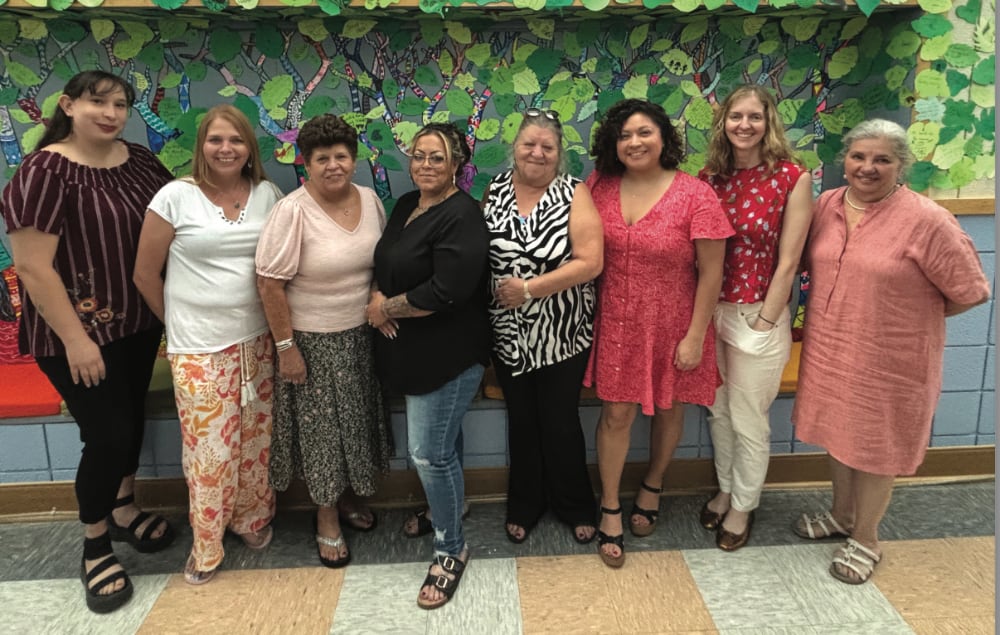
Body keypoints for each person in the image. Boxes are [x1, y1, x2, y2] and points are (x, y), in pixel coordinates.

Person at [0, 70, 175, 613]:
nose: (111, 113)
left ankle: (123, 507)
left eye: (121, 104)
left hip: (136, 324)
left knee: (131, 422)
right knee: (107, 433)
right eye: (98, 102)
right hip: (73, 333)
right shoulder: (45, 169)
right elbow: (31, 267)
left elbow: (177, 218)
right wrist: (77, 341)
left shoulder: (140, 161)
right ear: (68, 105)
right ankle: (95, 541)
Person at [791, 119, 989, 585]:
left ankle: (866, 537)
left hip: (892, 359)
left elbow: (970, 290)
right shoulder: (827, 206)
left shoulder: (927, 219)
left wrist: (910, 320)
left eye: (882, 159)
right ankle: (841, 515)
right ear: (845, 159)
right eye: (859, 156)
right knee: (838, 435)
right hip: (832, 347)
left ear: (901, 166)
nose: (868, 167)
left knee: (879, 446)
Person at [134, 104, 282, 585]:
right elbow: (144, 273)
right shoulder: (176, 196)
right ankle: (207, 542)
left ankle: (252, 519)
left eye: (236, 140)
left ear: (249, 149)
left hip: (257, 343)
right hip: (199, 350)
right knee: (209, 452)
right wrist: (177, 327)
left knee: (256, 444)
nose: (226, 149)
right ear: (202, 147)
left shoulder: (266, 194)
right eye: (216, 140)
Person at [585, 99, 733, 568]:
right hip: (614, 322)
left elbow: (712, 274)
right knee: (616, 414)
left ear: (664, 138)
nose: (634, 142)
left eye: (644, 132)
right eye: (625, 134)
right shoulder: (598, 187)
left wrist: (695, 336)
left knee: (670, 408)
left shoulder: (695, 195)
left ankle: (653, 484)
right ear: (614, 143)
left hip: (674, 323)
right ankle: (610, 504)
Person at [256, 114, 392, 569]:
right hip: (311, 342)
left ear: (353, 158)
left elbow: (382, 264)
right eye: (321, 159)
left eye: (341, 156)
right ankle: (327, 517)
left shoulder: (371, 200)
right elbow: (269, 285)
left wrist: (378, 296)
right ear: (305, 163)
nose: (333, 165)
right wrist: (286, 348)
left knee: (355, 425)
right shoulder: (291, 211)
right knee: (323, 437)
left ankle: (349, 497)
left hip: (361, 337)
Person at [366, 122, 489, 609]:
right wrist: (378, 294)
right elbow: (385, 263)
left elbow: (448, 291)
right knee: (444, 445)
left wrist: (384, 309)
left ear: (456, 163)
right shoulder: (403, 205)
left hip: (451, 355)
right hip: (413, 353)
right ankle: (450, 510)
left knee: (429, 453)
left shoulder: (463, 215)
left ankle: (451, 547)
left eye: (437, 157)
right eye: (419, 155)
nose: (425, 165)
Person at [696, 86, 812, 551]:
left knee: (748, 418)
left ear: (769, 123)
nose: (744, 125)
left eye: (754, 117)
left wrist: (766, 318)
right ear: (723, 122)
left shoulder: (791, 178)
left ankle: (744, 506)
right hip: (711, 311)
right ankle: (726, 490)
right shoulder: (710, 177)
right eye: (735, 116)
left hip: (757, 314)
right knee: (719, 413)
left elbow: (791, 259)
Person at [483, 109, 603, 545]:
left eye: (547, 147)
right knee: (521, 420)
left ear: (558, 155)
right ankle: (525, 504)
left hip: (562, 331)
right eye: (529, 144)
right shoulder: (494, 190)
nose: (537, 152)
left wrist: (530, 289)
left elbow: (591, 263)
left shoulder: (574, 193)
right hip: (509, 333)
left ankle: (574, 504)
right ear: (514, 148)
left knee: (559, 421)